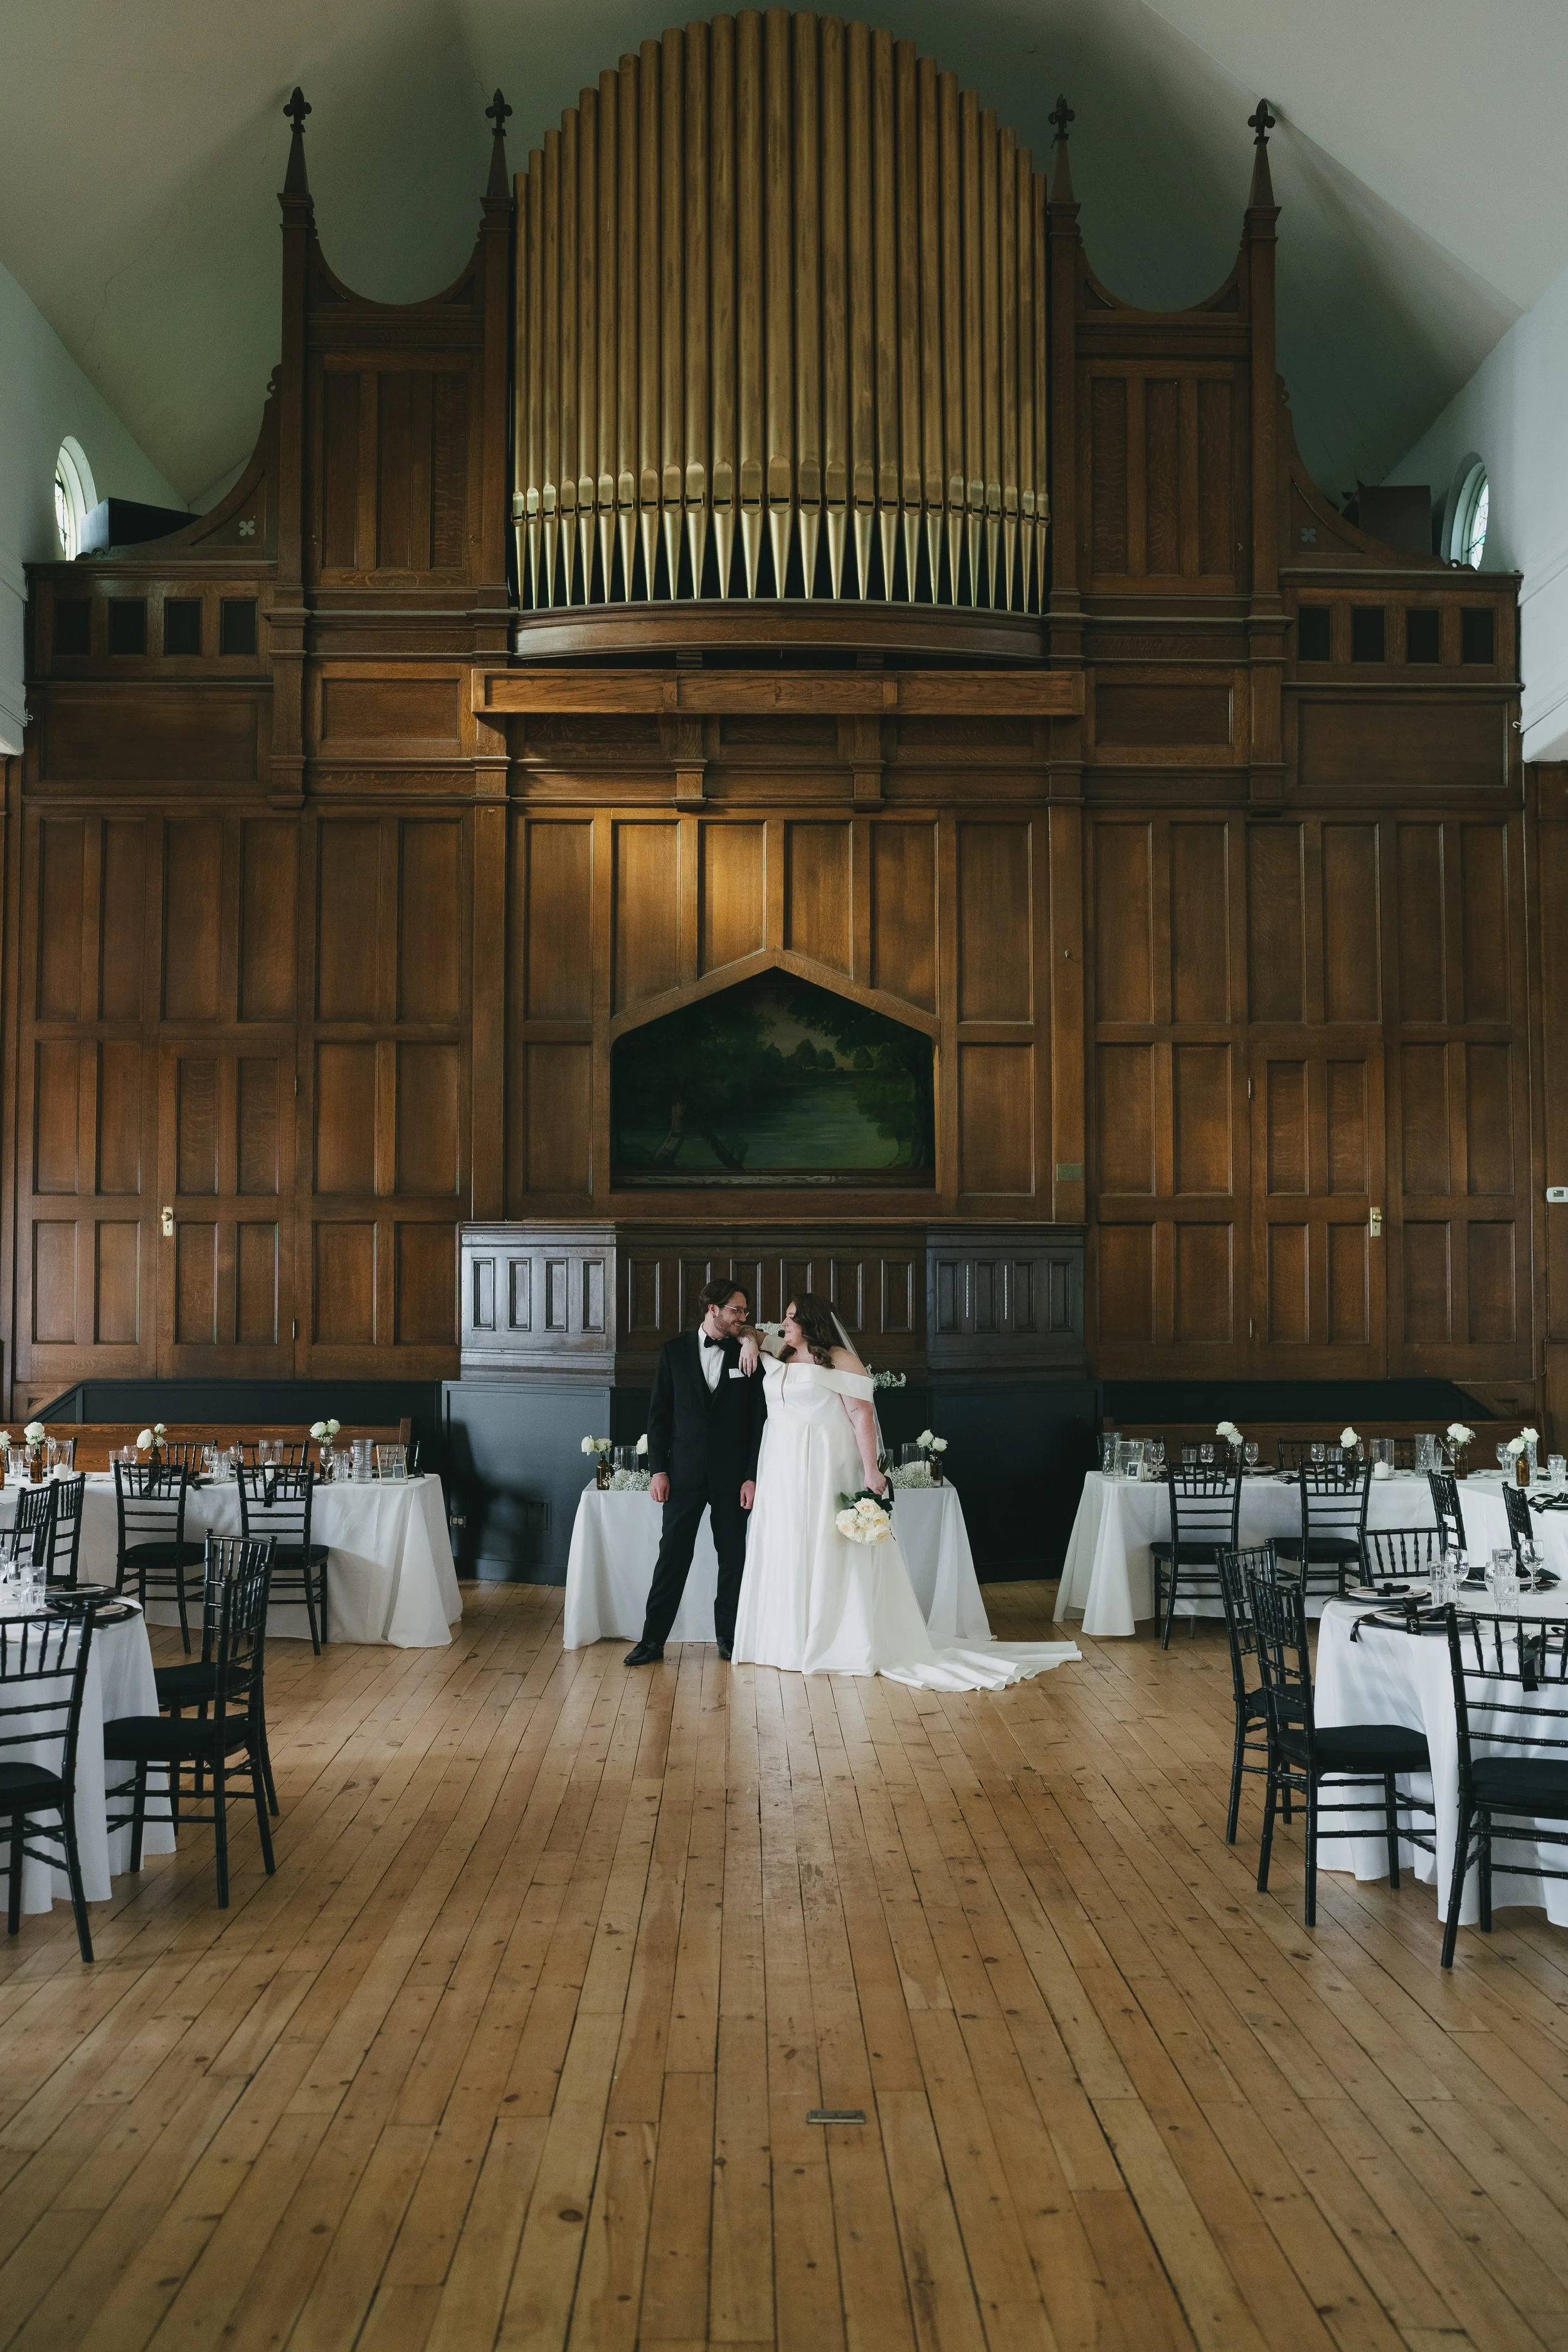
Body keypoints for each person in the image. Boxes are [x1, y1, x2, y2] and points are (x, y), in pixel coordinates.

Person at [731, 1292, 1079, 1689]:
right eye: (784, 1318)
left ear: (811, 1323)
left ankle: (836, 1638)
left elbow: (861, 1414)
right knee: (787, 1543)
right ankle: (784, 1640)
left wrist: (871, 1469)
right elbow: (749, 1331)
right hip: (780, 1466)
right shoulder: (779, 1350)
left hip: (825, 1463)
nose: (783, 1323)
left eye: (791, 1318)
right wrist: (746, 1339)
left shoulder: (838, 1359)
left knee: (827, 1543)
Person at [624, 1276, 766, 1665]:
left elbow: (759, 1422)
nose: (742, 1317)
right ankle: (652, 1641)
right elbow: (658, 1417)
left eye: (745, 1311)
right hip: (683, 1476)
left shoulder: (748, 1352)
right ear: (712, 1309)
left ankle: (730, 1638)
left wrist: (752, 1475)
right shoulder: (673, 1352)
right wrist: (658, 1471)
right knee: (672, 1555)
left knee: (733, 1557)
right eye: (736, 1310)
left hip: (733, 1479)